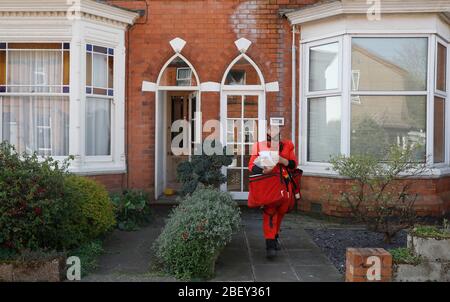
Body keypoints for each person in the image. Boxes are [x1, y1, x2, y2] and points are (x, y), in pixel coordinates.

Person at [248, 126, 297, 259]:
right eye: (270, 136)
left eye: (277, 136)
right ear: (267, 135)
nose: (274, 139)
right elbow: (251, 166)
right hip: (269, 185)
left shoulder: (288, 145)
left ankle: (274, 237)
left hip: (285, 186)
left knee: (281, 213)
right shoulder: (258, 146)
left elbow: (294, 165)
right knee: (270, 213)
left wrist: (282, 160)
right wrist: (263, 168)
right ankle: (270, 245)